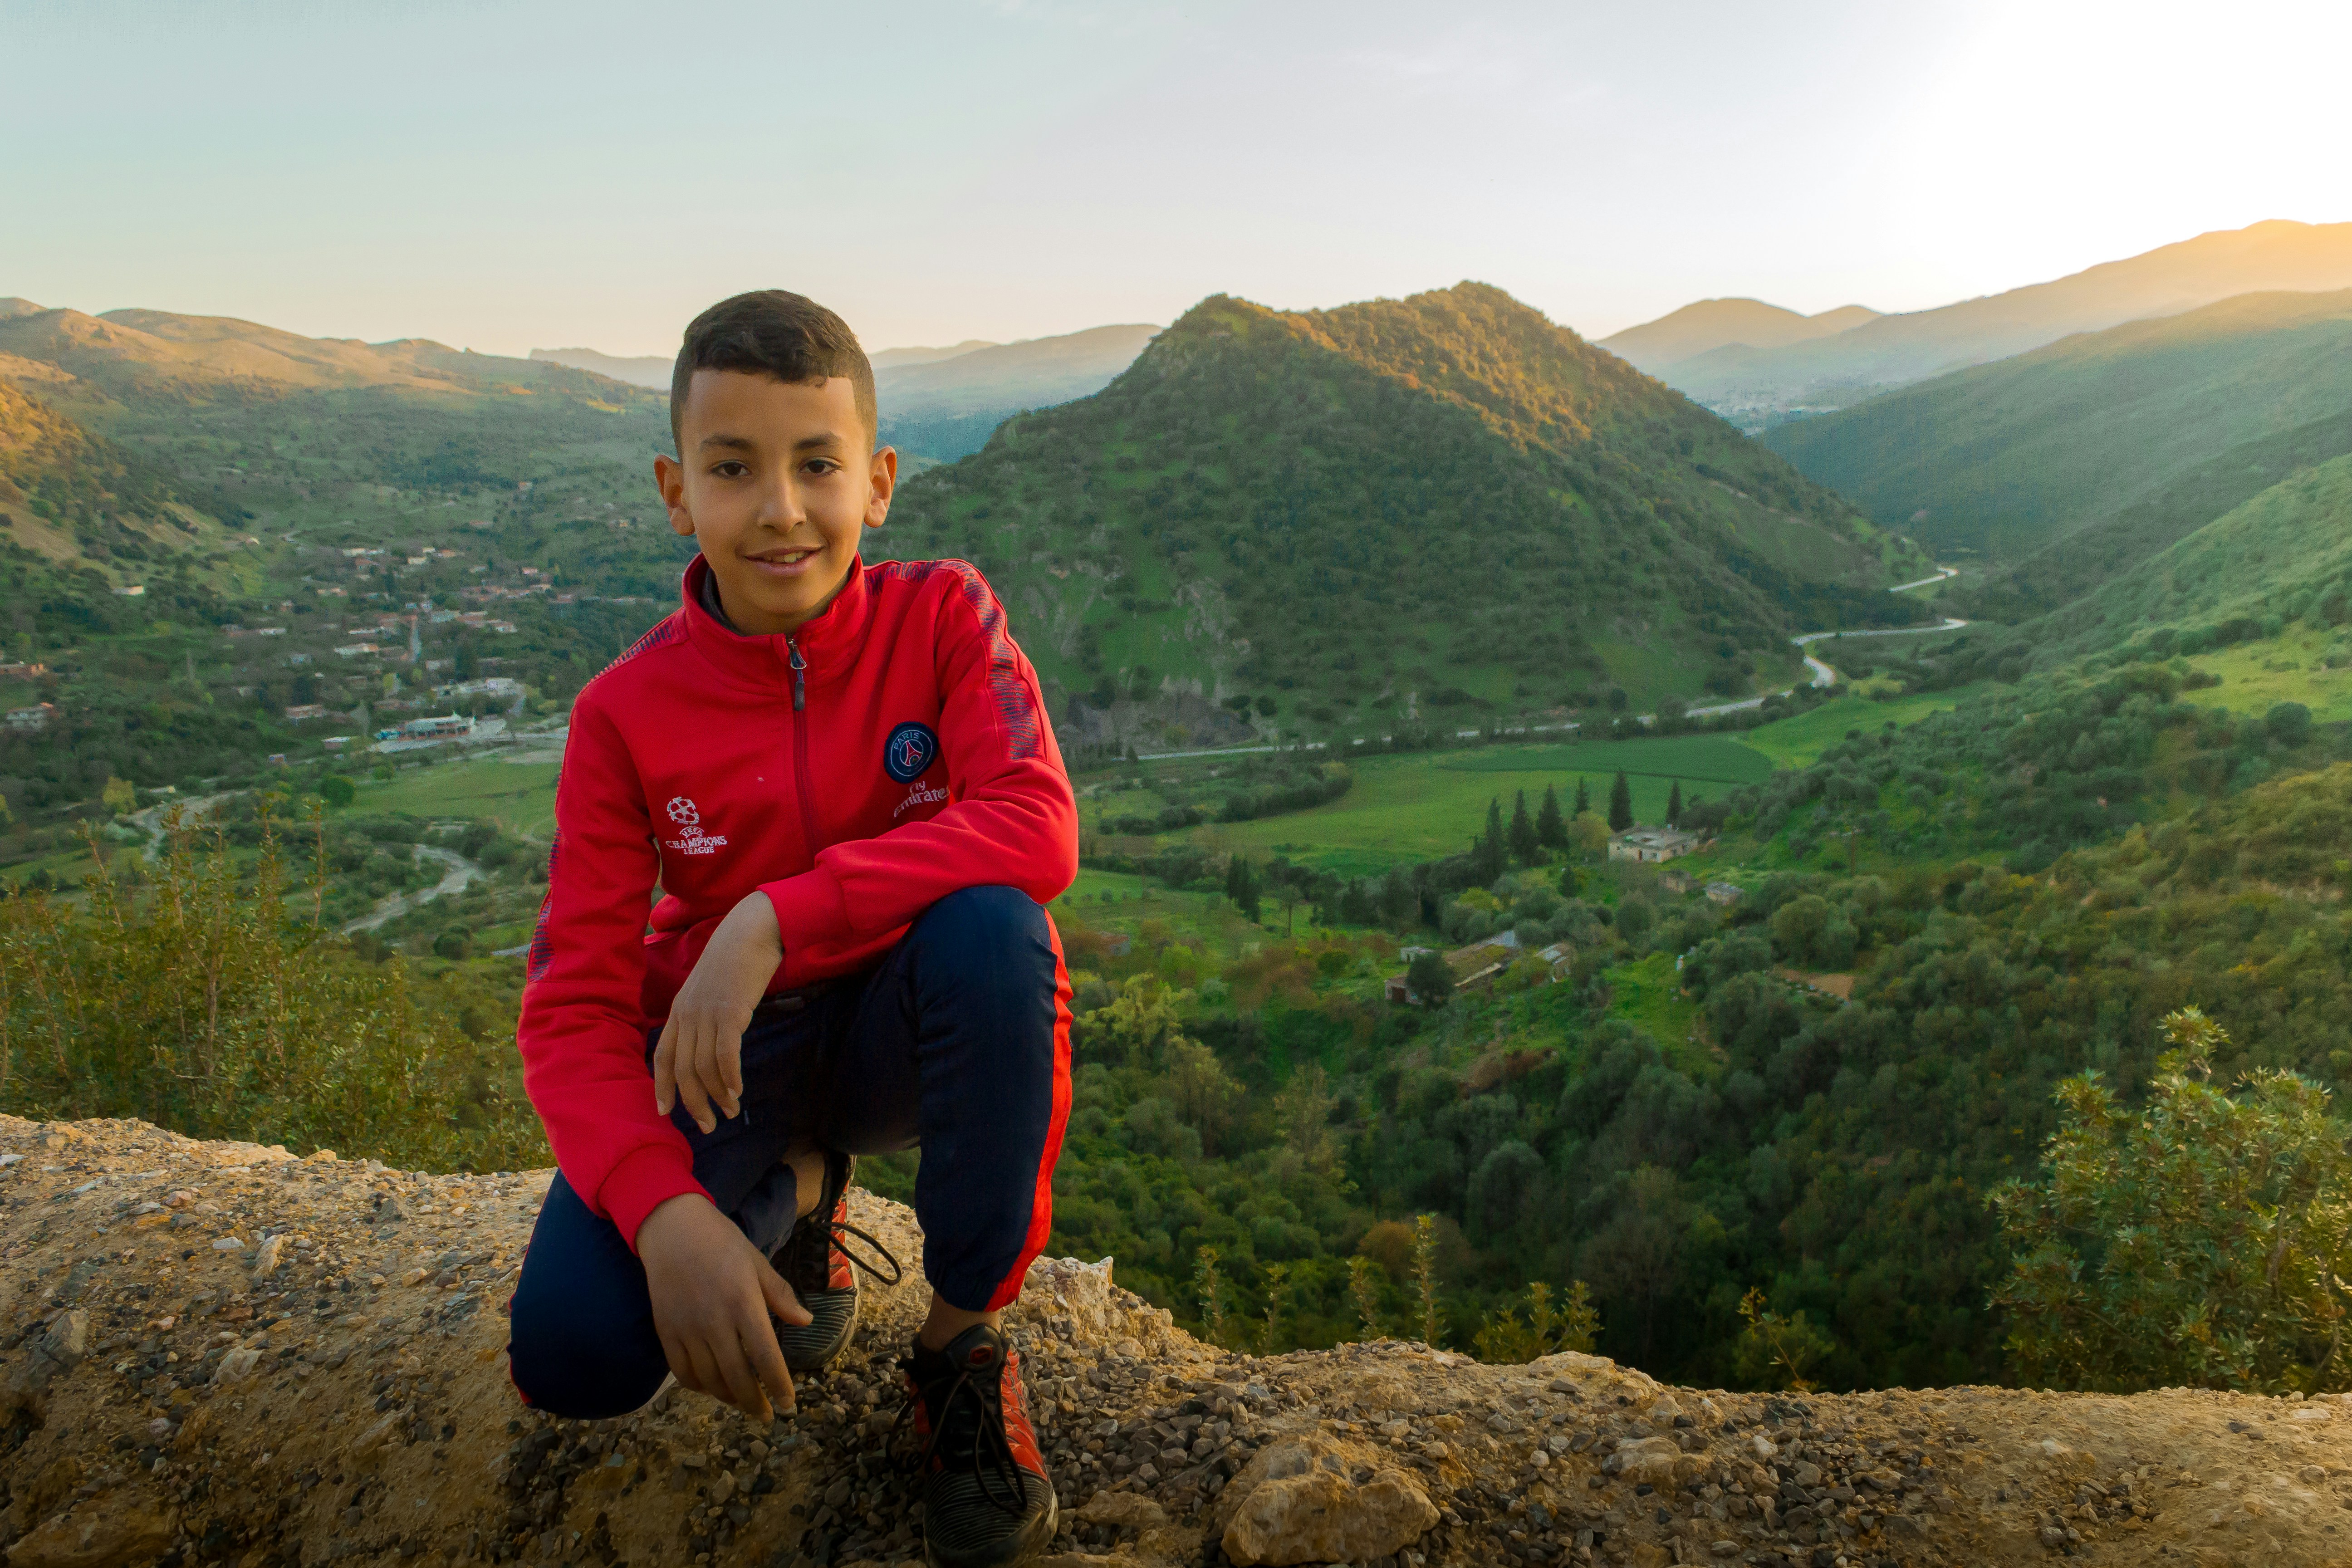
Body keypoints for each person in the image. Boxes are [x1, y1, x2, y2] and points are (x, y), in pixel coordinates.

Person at [506, 289, 1075, 1568]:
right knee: (575, 1356)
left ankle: (957, 1353)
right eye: (732, 467)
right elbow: (574, 1006)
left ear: (877, 482)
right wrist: (666, 1217)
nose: (779, 509)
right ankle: (801, 1191)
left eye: (817, 465)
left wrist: (773, 911)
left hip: (896, 1031)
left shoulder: (943, 616)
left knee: (998, 931)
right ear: (675, 489)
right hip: (731, 1063)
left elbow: (1038, 825)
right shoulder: (622, 714)